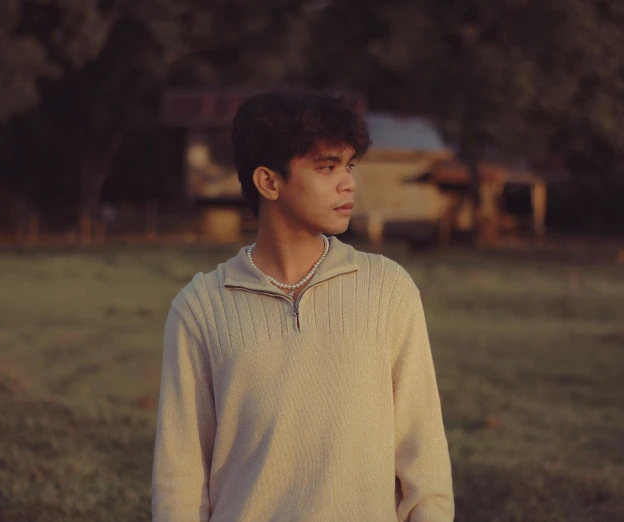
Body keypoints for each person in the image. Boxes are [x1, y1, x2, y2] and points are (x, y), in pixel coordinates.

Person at [152, 89, 453, 521]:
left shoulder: (388, 290)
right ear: (269, 182)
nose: (348, 182)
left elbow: (424, 465)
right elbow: (178, 483)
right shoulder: (200, 309)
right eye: (327, 167)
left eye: (348, 166)